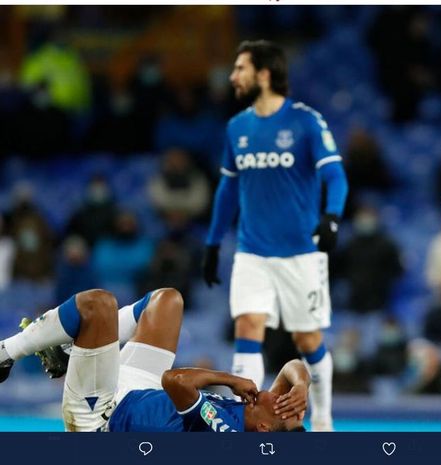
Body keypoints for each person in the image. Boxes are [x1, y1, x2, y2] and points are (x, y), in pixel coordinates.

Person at [202, 40, 348, 432]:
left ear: (264, 74)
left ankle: (323, 421)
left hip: (301, 253)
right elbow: (228, 190)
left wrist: (332, 217)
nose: (233, 77)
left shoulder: (306, 121)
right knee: (247, 326)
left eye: (240, 68)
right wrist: (213, 243)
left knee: (307, 338)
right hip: (251, 251)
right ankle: (242, 422)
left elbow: (335, 174)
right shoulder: (237, 127)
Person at [0, 288, 308, 432]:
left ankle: (6, 352)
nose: (274, 393)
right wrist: (303, 385)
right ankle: (70, 351)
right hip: (142, 393)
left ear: (266, 428)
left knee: (97, 306)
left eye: (280, 403)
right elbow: (291, 368)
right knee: (166, 301)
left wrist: (229, 379)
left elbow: (174, 381)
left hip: (104, 416)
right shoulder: (268, 418)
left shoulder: (224, 433)